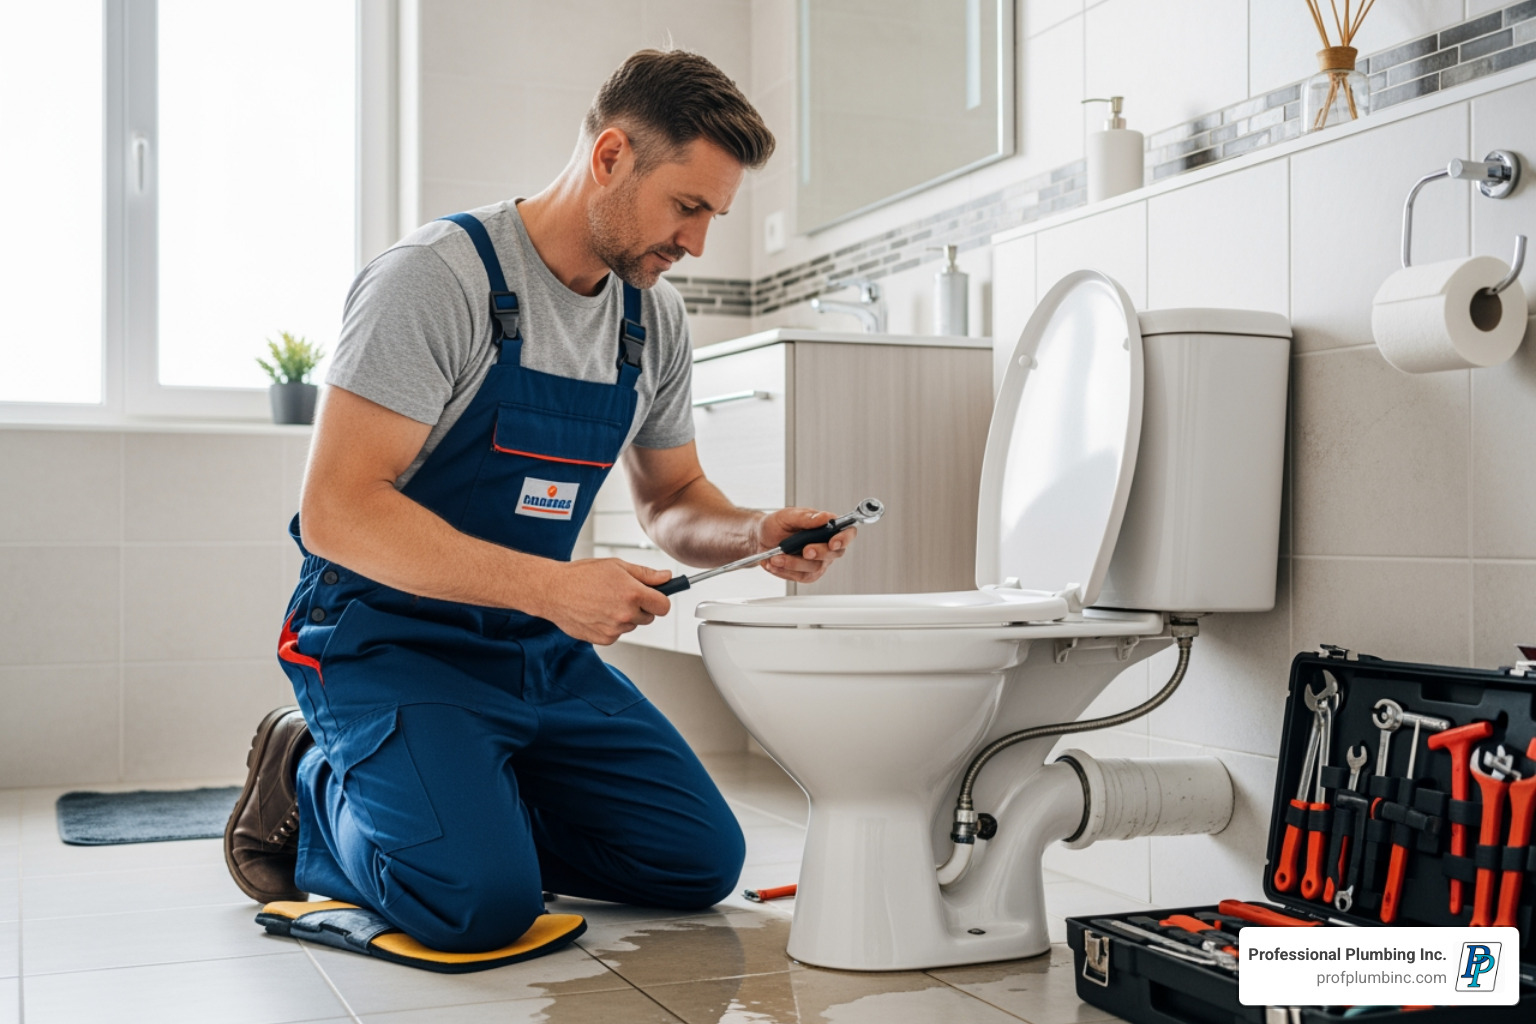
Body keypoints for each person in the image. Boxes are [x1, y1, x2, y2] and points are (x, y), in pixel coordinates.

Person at [222, 49, 859, 953]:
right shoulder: (436, 280)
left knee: (696, 864)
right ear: (610, 157)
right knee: (472, 906)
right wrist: (554, 590)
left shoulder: (652, 318)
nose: (698, 243)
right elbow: (339, 511)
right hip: (387, 641)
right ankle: (314, 780)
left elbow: (673, 499)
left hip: (529, 653)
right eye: (687, 207)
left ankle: (462, 806)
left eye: (714, 216)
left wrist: (757, 532)